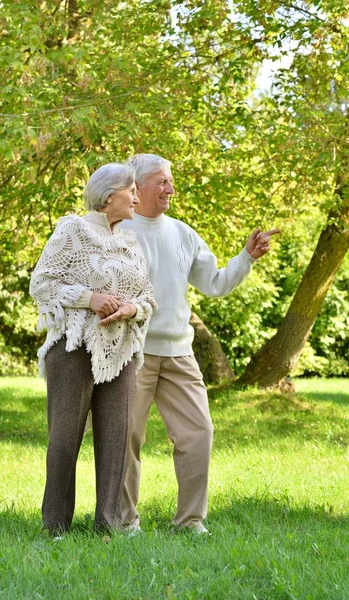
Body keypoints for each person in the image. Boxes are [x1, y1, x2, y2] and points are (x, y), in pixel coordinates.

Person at [119, 153, 280, 534]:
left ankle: (190, 521)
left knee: (199, 433)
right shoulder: (118, 231)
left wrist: (247, 257)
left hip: (178, 352)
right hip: (132, 352)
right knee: (125, 436)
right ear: (137, 188)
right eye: (162, 181)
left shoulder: (182, 233)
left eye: (170, 181)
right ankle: (124, 522)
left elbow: (216, 284)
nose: (170, 189)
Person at [29, 162, 156, 534]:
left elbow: (148, 298)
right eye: (131, 189)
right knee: (65, 438)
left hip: (122, 351)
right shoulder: (73, 230)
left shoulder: (131, 242)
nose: (137, 196)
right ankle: (55, 526)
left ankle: (110, 525)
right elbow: (42, 284)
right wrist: (91, 298)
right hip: (73, 347)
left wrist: (130, 308)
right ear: (108, 194)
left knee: (116, 437)